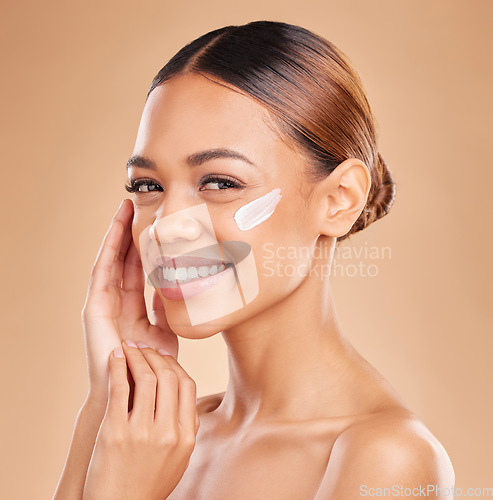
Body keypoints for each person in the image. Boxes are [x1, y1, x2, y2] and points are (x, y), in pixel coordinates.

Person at [53, 20, 455, 499]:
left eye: (220, 182)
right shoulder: (153, 439)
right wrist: (110, 394)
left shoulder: (384, 459)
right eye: (148, 186)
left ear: (339, 199)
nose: (167, 225)